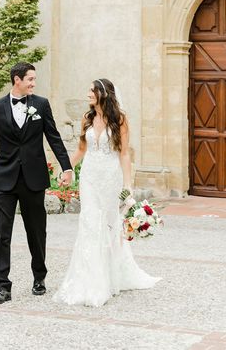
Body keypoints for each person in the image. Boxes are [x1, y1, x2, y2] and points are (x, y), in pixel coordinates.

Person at [53, 78, 160, 307]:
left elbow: (124, 154)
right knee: (89, 222)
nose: (88, 94)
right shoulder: (87, 118)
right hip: (90, 177)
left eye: (92, 90)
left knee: (111, 223)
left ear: (103, 93)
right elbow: (81, 149)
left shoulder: (119, 119)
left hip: (111, 177)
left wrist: (127, 184)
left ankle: (111, 275)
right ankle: (89, 278)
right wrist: (66, 169)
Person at [0, 61, 73, 305]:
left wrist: (67, 166)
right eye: (30, 79)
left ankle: (39, 277)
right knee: (2, 235)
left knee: (36, 232)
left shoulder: (41, 104)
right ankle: (2, 287)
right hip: (5, 180)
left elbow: (53, 136)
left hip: (33, 179)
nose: (33, 83)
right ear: (17, 79)